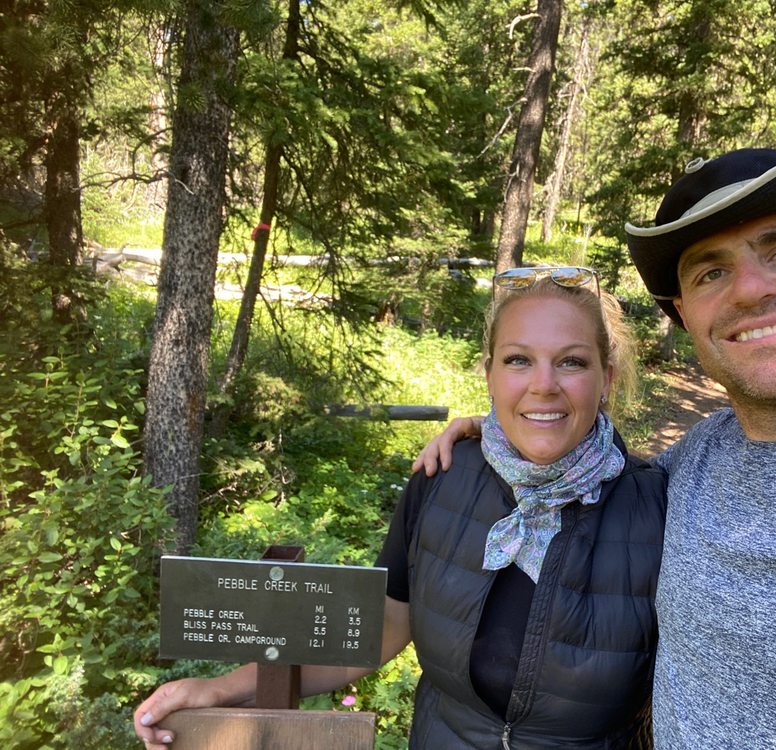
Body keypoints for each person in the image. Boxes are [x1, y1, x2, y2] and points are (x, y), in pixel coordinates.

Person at [415, 142, 776, 748]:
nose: (749, 289)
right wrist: (501, 429)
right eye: (711, 272)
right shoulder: (693, 461)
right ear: (685, 314)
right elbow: (588, 471)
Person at [134, 267, 667, 749]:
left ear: (607, 379)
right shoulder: (442, 479)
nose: (543, 385)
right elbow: (382, 628)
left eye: (571, 361)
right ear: (489, 375)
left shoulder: (661, 509)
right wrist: (221, 689)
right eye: (518, 360)